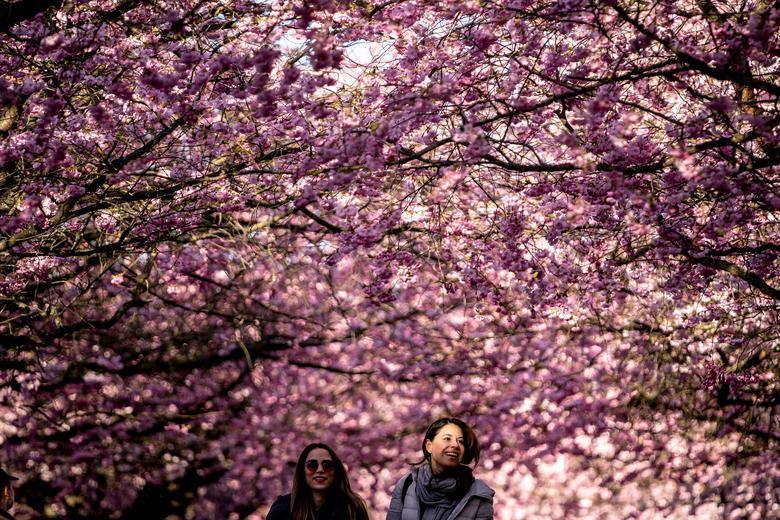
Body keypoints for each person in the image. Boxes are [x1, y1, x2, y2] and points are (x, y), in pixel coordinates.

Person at [386, 418, 494, 520]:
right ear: (429, 446)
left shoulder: (478, 494)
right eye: (447, 439)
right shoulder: (407, 484)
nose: (455, 445)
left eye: (460, 441)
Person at [267, 443, 369, 520]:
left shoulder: (352, 508)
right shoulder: (283, 508)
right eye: (312, 465)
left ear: (336, 471)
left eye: (327, 465)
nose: (320, 470)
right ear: (302, 471)